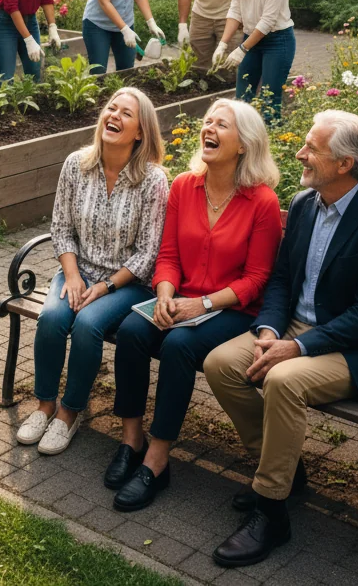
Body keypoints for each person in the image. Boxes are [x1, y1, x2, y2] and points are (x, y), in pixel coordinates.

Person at [203, 110, 358, 568]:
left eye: (312, 148)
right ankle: (281, 473)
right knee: (221, 364)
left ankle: (271, 511)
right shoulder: (302, 204)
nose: (300, 153)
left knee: (284, 381)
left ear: (345, 164)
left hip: (354, 349)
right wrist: (269, 331)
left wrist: (294, 348)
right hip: (292, 330)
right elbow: (280, 280)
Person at [107, 99, 282, 512]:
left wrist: (201, 304)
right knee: (133, 332)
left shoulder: (263, 202)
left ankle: (157, 459)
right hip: (181, 299)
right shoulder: (185, 185)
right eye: (208, 121)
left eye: (223, 125)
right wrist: (166, 294)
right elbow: (167, 255)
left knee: (178, 347)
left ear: (243, 145)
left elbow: (257, 280)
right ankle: (132, 440)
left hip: (234, 310)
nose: (210, 128)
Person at [14, 88, 168, 456]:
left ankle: (70, 412)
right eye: (110, 108)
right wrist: (71, 276)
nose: (113, 115)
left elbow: (149, 253)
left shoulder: (153, 180)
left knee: (87, 324)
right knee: (52, 317)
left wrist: (104, 287)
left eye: (125, 113)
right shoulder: (76, 164)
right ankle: (44, 405)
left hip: (126, 284)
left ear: (141, 131)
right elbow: (62, 227)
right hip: (77, 271)